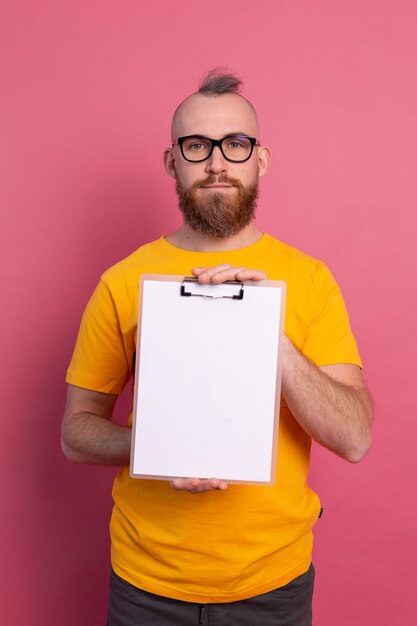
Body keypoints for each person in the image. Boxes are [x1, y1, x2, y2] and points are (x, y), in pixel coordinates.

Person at [62, 69, 373, 626]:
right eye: (196, 145)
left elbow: (353, 438)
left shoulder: (310, 280)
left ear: (261, 159)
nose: (216, 162)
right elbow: (76, 432)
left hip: (272, 584)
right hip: (146, 584)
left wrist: (265, 333)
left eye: (235, 143)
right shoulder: (123, 281)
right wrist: (161, 446)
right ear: (171, 162)